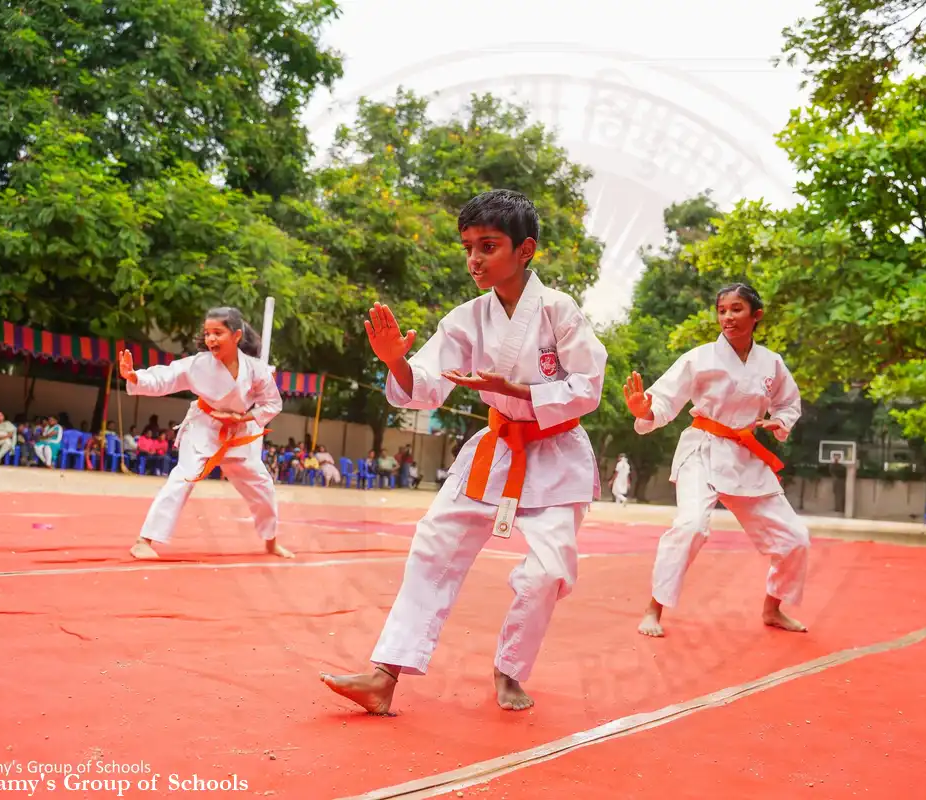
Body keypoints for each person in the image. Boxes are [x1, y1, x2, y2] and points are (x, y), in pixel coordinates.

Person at [321, 189, 608, 715]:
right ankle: (384, 675)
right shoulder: (465, 319)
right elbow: (427, 383)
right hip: (496, 446)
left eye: (488, 246)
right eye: (468, 247)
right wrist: (396, 362)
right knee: (434, 544)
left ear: (526, 250)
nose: (474, 259)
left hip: (556, 449)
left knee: (547, 573)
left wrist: (520, 390)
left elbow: (589, 387)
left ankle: (510, 666)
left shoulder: (558, 311)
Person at [625, 282, 810, 638]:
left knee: (795, 537)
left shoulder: (772, 363)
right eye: (722, 310)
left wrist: (780, 421)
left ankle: (773, 608)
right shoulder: (700, 358)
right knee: (691, 526)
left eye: (736, 309)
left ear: (756, 316)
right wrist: (646, 409)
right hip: (703, 450)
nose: (727, 317)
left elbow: (788, 404)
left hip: (745, 455)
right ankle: (654, 609)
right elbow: (664, 399)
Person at [118, 306, 292, 561]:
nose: (210, 339)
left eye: (218, 333)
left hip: (239, 432)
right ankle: (143, 540)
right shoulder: (198, 365)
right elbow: (166, 376)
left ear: (236, 336)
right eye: (208, 333)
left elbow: (272, 404)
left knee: (262, 486)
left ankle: (271, 543)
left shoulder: (256, 370)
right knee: (184, 477)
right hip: (205, 428)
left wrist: (241, 417)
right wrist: (135, 377)